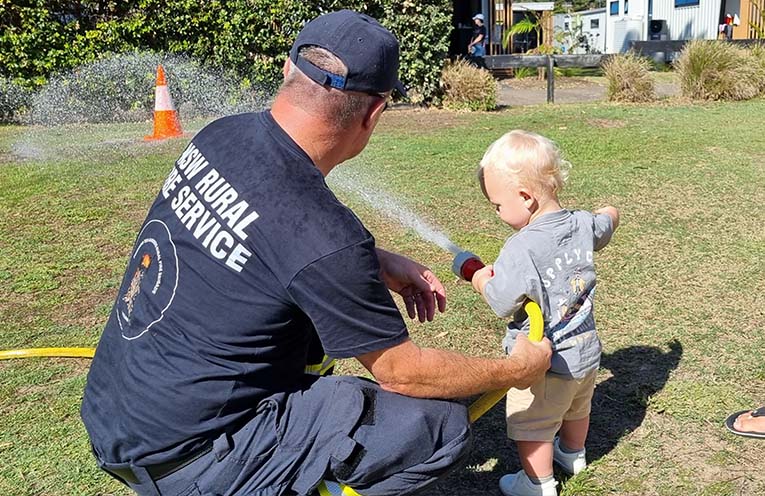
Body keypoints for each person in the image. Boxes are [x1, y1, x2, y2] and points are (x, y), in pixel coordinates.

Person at [80, 11, 552, 496]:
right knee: (438, 426)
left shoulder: (220, 135)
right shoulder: (324, 235)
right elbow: (404, 374)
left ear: (289, 70)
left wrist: (375, 260)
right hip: (192, 459)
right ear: (374, 112)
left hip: (113, 415)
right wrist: (517, 369)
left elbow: (271, 237)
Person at [469, 130, 620, 496]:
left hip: (545, 361)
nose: (496, 212)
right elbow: (604, 225)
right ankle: (572, 454)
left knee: (532, 423)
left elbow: (501, 301)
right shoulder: (581, 222)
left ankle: (537, 484)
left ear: (525, 197)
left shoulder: (521, 248)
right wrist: (611, 213)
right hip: (586, 350)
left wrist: (479, 279)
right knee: (577, 408)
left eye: (497, 205)